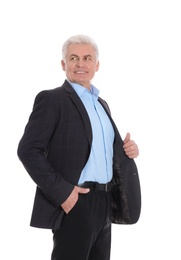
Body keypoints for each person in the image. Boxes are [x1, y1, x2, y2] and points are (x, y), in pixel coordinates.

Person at [17, 34, 141, 260]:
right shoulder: (52, 99)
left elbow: (99, 149)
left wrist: (127, 149)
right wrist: (63, 193)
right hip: (75, 201)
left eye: (87, 58)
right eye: (73, 58)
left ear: (97, 65)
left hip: (105, 201)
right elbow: (28, 150)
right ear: (63, 64)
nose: (80, 64)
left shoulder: (101, 104)